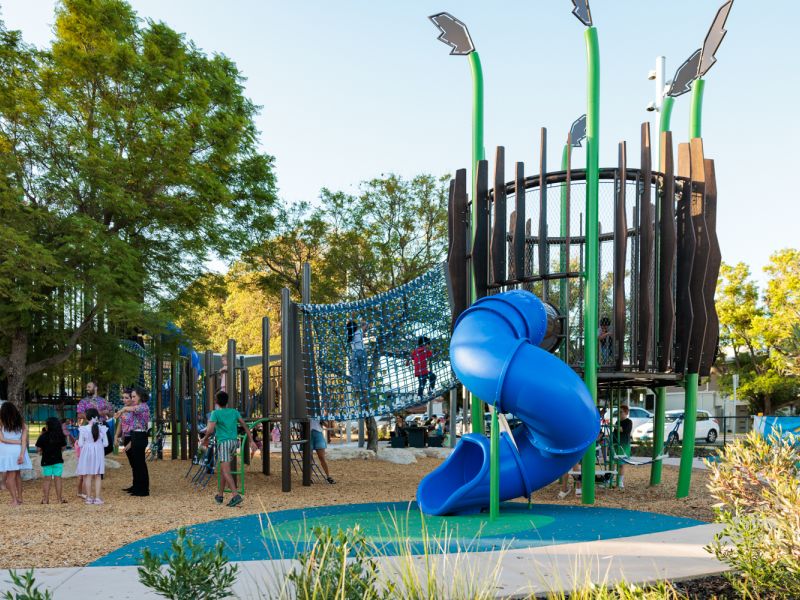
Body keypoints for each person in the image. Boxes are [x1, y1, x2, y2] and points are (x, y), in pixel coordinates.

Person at [200, 391, 258, 507]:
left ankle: (235, 495)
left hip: (224, 443)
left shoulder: (215, 413)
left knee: (226, 471)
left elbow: (210, 430)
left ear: (216, 401)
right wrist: (251, 440)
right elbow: (245, 426)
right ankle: (220, 495)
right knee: (223, 470)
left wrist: (204, 439)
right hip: (233, 443)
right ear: (227, 401)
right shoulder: (234, 412)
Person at [118, 387, 151, 497]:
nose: (132, 399)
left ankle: (144, 490)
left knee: (140, 464)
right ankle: (137, 487)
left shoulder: (143, 406)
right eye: (131, 397)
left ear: (140, 396)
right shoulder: (138, 406)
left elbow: (130, 409)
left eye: (134, 397)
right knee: (137, 464)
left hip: (140, 435)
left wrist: (122, 410)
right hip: (136, 435)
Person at [0, 402, 32, 507]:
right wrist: (22, 454)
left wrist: (15, 442)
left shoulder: (1, 422)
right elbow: (23, 440)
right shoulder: (21, 422)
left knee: (10, 478)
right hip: (18, 450)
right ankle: (20, 498)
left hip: (7, 451)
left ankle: (14, 500)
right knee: (17, 476)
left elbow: (2, 439)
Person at [76, 407, 108, 505]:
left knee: (87, 476)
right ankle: (97, 498)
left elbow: (80, 444)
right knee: (97, 475)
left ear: (87, 417)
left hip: (86, 453)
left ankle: (89, 498)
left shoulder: (83, 429)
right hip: (98, 452)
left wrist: (88, 444)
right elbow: (106, 444)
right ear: (96, 417)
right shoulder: (102, 428)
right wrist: (97, 446)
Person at [36, 417, 67, 504]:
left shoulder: (43, 436)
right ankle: (59, 499)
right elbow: (63, 447)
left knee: (47, 480)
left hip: (46, 461)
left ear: (48, 426)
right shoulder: (60, 436)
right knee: (58, 479)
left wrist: (42, 450)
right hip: (58, 460)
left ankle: (45, 499)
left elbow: (38, 449)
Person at [349, 319, 369, 407]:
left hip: (354, 353)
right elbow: (365, 326)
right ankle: (364, 387)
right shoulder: (358, 331)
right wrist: (363, 323)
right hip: (361, 352)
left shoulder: (350, 334)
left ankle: (356, 387)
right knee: (363, 370)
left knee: (355, 371)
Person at [310, 418, 335, 484]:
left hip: (318, 433)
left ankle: (328, 476)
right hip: (308, 433)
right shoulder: (305, 409)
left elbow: (327, 425)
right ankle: (309, 478)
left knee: (322, 457)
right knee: (309, 458)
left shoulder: (318, 411)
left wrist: (322, 421)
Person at [615, 405, 633, 489]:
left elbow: (624, 430)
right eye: (618, 412)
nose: (619, 413)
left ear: (626, 412)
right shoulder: (617, 422)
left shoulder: (628, 422)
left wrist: (615, 427)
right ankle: (611, 479)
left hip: (624, 445)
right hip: (616, 444)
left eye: (621, 412)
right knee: (614, 463)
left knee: (621, 464)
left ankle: (620, 481)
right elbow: (614, 432)